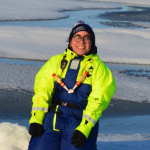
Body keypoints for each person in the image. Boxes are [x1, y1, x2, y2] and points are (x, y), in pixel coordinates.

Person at [28, 20, 116, 150]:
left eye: (87, 38)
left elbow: (97, 101)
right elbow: (42, 91)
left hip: (78, 122)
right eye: (77, 37)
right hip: (52, 119)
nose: (82, 41)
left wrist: (84, 128)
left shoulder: (100, 69)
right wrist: (36, 119)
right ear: (70, 41)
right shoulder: (55, 62)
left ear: (92, 42)